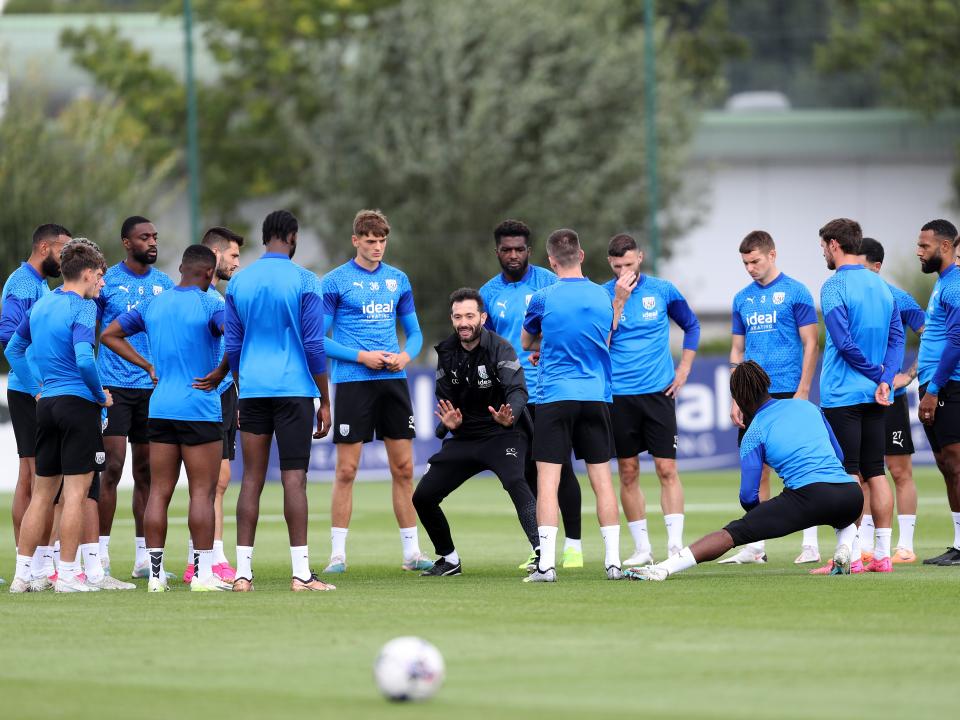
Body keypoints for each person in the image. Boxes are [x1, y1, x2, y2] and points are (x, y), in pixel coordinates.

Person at [624, 362, 863, 581]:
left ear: (738, 398)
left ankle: (663, 569)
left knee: (732, 532)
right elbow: (839, 456)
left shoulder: (755, 431)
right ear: (766, 383)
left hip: (809, 497)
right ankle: (844, 548)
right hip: (852, 496)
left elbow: (748, 495)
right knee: (840, 514)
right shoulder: (807, 407)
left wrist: (757, 520)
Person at [101, 245, 233, 592]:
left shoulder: (153, 303)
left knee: (158, 491)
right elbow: (236, 338)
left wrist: (146, 366)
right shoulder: (211, 303)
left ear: (181, 269)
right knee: (202, 494)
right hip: (200, 407)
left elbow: (108, 334)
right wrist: (220, 373)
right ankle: (203, 576)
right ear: (208, 273)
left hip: (159, 407)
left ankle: (156, 577)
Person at [225, 210, 335, 592]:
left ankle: (242, 574)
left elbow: (233, 346)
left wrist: (241, 389)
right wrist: (323, 396)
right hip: (293, 391)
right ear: (291, 236)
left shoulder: (239, 282)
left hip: (253, 390)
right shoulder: (306, 280)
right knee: (294, 479)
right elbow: (314, 344)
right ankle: (301, 574)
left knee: (251, 480)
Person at [321, 209, 430, 573]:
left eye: (382, 241)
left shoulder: (398, 280)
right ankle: (338, 554)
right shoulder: (335, 281)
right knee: (347, 471)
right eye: (370, 241)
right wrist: (360, 356)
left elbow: (414, 334)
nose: (377, 247)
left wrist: (405, 356)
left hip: (392, 383)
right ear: (356, 241)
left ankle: (412, 553)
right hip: (353, 382)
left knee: (404, 468)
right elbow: (319, 339)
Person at [6, 239, 113, 593]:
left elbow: (13, 349)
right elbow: (84, 358)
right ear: (85, 274)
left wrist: (38, 386)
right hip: (77, 405)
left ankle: (23, 575)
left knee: (42, 493)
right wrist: (100, 397)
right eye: (99, 276)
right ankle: (67, 574)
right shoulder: (82, 309)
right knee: (75, 495)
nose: (102, 283)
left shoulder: (41, 305)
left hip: (46, 405)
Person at [479, 220, 583, 570]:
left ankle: (574, 546)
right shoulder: (488, 293)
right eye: (506, 249)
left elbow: (566, 328)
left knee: (561, 468)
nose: (513, 255)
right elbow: (486, 347)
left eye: (519, 249)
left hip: (549, 387)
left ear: (530, 251)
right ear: (497, 252)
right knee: (524, 471)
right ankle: (542, 547)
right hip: (512, 393)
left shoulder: (549, 283)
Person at [413, 288, 539, 576]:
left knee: (516, 482)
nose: (464, 322)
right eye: (458, 317)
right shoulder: (446, 352)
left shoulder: (501, 348)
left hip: (503, 432)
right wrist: (448, 424)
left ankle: (541, 554)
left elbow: (518, 390)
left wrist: (512, 416)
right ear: (452, 319)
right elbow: (447, 404)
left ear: (482, 317)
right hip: (466, 437)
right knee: (423, 496)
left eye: (470, 316)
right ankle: (449, 559)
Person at [521, 228, 623, 582]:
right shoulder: (602, 296)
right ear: (581, 255)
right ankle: (613, 562)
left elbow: (525, 338)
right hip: (595, 396)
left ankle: (546, 565)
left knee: (548, 483)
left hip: (554, 397)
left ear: (550, 261)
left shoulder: (541, 296)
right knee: (603, 483)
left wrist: (544, 347)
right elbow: (606, 337)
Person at [811, 218, 904, 575]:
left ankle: (846, 556)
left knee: (847, 475)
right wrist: (885, 379)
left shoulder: (833, 286)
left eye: (823, 247)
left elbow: (843, 341)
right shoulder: (883, 287)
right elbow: (897, 339)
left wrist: (875, 374)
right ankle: (881, 555)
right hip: (877, 394)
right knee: (876, 472)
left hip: (842, 395)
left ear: (834, 244)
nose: (822, 253)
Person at [722, 230, 821, 565]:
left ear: (772, 254)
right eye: (745, 262)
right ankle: (756, 546)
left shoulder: (796, 291)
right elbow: (737, 349)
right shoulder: (741, 299)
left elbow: (811, 342)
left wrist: (804, 389)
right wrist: (736, 396)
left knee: (800, 467)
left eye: (755, 261)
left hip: (789, 390)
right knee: (758, 468)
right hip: (753, 397)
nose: (750, 268)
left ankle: (810, 544)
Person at [605, 233, 700, 565]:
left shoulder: (662, 290)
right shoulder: (603, 295)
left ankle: (675, 545)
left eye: (629, 265)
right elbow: (600, 341)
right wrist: (617, 301)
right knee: (628, 471)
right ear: (609, 264)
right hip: (618, 396)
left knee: (666, 468)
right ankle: (642, 548)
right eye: (617, 267)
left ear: (640, 258)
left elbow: (692, 326)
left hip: (658, 393)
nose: (624, 272)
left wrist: (685, 367)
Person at [95, 216, 174, 578]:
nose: (152, 242)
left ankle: (144, 558)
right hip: (113, 387)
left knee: (146, 472)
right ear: (127, 243)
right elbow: (92, 332)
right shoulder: (107, 281)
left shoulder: (165, 284)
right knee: (111, 468)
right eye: (145, 237)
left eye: (155, 236)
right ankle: (100, 555)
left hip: (152, 389)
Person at [0, 224, 72, 573]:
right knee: (31, 474)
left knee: (47, 475)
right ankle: (25, 561)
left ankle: (43, 557)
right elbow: (8, 340)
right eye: (63, 250)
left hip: (44, 390)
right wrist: (36, 388)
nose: (66, 259)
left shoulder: (42, 285)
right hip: (29, 391)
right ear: (45, 247)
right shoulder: (22, 284)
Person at [178, 226, 244, 584]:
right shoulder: (210, 301)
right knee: (210, 481)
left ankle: (208, 556)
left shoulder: (216, 298)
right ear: (215, 256)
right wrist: (220, 375)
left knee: (218, 481)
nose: (237, 262)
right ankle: (204, 559)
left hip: (221, 393)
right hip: (207, 393)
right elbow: (232, 344)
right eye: (233, 256)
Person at [857, 238, 925, 564]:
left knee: (898, 471)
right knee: (864, 473)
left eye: (861, 264)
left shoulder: (897, 298)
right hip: (858, 398)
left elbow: (932, 334)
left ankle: (906, 547)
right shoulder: (849, 297)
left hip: (892, 398)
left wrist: (909, 374)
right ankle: (866, 545)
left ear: (876, 266)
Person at [914, 219, 960, 566]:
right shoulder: (942, 283)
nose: (919, 251)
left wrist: (934, 389)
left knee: (956, 464)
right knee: (946, 465)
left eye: (924, 246)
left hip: (949, 386)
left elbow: (957, 341)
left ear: (945, 247)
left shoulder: (955, 285)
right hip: (933, 385)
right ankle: (958, 542)